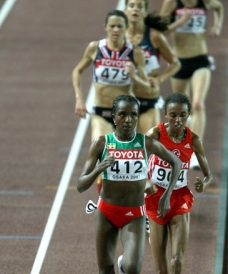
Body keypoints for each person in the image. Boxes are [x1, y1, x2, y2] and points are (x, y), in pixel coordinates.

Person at [77, 94, 182, 274]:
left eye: (133, 115)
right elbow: (81, 185)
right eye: (122, 114)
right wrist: (99, 169)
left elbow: (176, 162)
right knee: (104, 271)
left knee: (134, 267)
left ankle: (125, 268)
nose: (128, 119)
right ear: (113, 117)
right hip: (106, 212)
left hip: (134, 214)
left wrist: (167, 195)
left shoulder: (145, 143)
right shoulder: (102, 143)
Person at [145, 92, 213, 274]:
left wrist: (204, 182)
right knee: (161, 270)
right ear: (166, 115)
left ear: (187, 115)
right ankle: (146, 230)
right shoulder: (155, 135)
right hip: (154, 198)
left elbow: (208, 173)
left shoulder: (193, 140)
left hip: (180, 198)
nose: (177, 120)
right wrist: (145, 181)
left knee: (178, 262)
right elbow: (140, 158)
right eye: (172, 115)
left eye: (182, 115)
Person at [72, 9, 156, 193]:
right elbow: (77, 71)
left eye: (120, 26)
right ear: (105, 27)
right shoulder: (95, 48)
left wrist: (134, 76)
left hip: (125, 117)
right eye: (112, 26)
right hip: (101, 112)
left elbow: (147, 87)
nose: (116, 30)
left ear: (126, 28)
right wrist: (79, 98)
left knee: (127, 160)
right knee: (103, 156)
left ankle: (132, 199)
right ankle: (103, 200)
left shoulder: (135, 52)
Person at [160, 0, 224, 169]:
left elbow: (218, 6)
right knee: (180, 111)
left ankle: (195, 153)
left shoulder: (204, 1)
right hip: (179, 62)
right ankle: (179, 144)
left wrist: (217, 25)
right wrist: (180, 22)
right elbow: (159, 31)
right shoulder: (172, 3)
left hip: (200, 60)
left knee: (197, 104)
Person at [124, 0, 183, 133]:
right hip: (126, 97)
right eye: (131, 6)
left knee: (148, 146)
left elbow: (175, 63)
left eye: (140, 6)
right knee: (125, 150)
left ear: (145, 12)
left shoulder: (154, 36)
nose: (135, 9)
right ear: (125, 10)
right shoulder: (119, 36)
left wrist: (159, 79)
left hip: (148, 98)